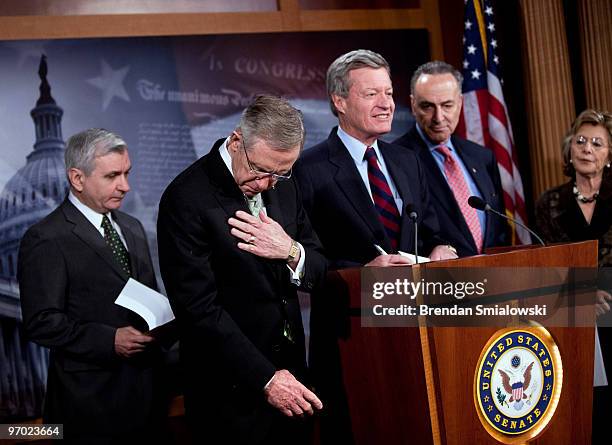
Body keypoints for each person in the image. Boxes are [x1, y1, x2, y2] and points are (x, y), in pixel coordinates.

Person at [157, 95, 326, 444]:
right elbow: (198, 310)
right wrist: (266, 378)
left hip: (293, 382)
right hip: (230, 395)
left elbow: (320, 267)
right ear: (236, 141)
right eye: (260, 170)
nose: (267, 184)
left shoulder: (285, 183)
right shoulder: (186, 198)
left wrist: (290, 251)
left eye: (281, 172)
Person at [18, 128, 165, 443]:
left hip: (148, 399)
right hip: (89, 407)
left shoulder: (132, 226)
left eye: (127, 173)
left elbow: (147, 298)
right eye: (112, 176)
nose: (125, 186)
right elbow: (41, 322)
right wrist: (109, 339)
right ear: (77, 178)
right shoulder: (46, 237)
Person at [295, 50, 457, 268]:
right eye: (371, 94)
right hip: (355, 300)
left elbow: (430, 234)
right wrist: (364, 274)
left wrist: (441, 247)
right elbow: (306, 257)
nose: (386, 104)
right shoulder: (307, 169)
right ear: (339, 101)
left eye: (388, 93)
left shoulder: (408, 161)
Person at [534, 109, 612, 444]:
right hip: (571, 314)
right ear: (569, 150)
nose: (587, 148)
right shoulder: (549, 202)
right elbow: (546, 262)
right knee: (584, 409)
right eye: (580, 141)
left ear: (609, 156)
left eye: (597, 143)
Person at [393, 61, 508, 257]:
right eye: (427, 106)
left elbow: (499, 227)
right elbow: (401, 233)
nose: (438, 117)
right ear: (413, 105)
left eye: (447, 105)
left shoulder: (482, 156)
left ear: (460, 103)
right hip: (441, 281)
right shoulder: (396, 159)